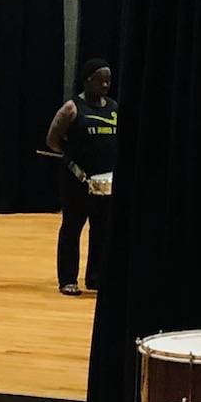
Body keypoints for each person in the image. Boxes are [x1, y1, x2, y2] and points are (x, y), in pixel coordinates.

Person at [46, 59, 117, 294]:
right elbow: (52, 140)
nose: (106, 84)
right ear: (88, 80)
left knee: (102, 229)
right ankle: (67, 279)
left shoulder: (114, 108)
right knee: (72, 228)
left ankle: (95, 277)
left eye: (108, 80)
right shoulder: (72, 108)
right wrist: (71, 161)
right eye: (100, 80)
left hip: (104, 183)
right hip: (77, 181)